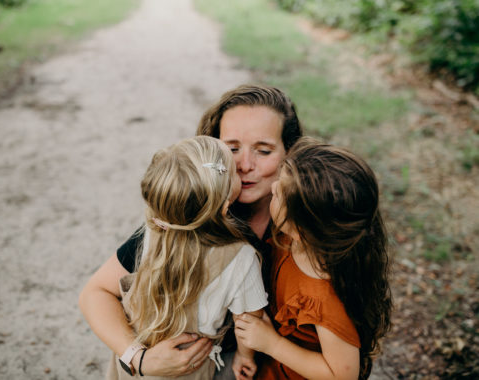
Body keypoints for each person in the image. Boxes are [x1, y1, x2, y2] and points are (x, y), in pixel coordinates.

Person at [79, 84, 303, 378]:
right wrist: (139, 358)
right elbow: (95, 293)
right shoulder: (180, 219)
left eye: (263, 150)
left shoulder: (303, 224)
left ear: (290, 152)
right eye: (232, 149)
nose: (244, 165)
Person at [81, 136, 268, 379]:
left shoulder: (152, 233)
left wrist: (134, 356)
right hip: (192, 369)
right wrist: (246, 356)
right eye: (232, 169)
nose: (240, 168)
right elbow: (248, 322)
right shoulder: (241, 258)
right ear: (223, 207)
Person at [234, 137, 392, 380]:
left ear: (300, 230)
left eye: (278, 193)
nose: (273, 188)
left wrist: (272, 344)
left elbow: (342, 375)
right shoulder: (293, 237)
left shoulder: (324, 298)